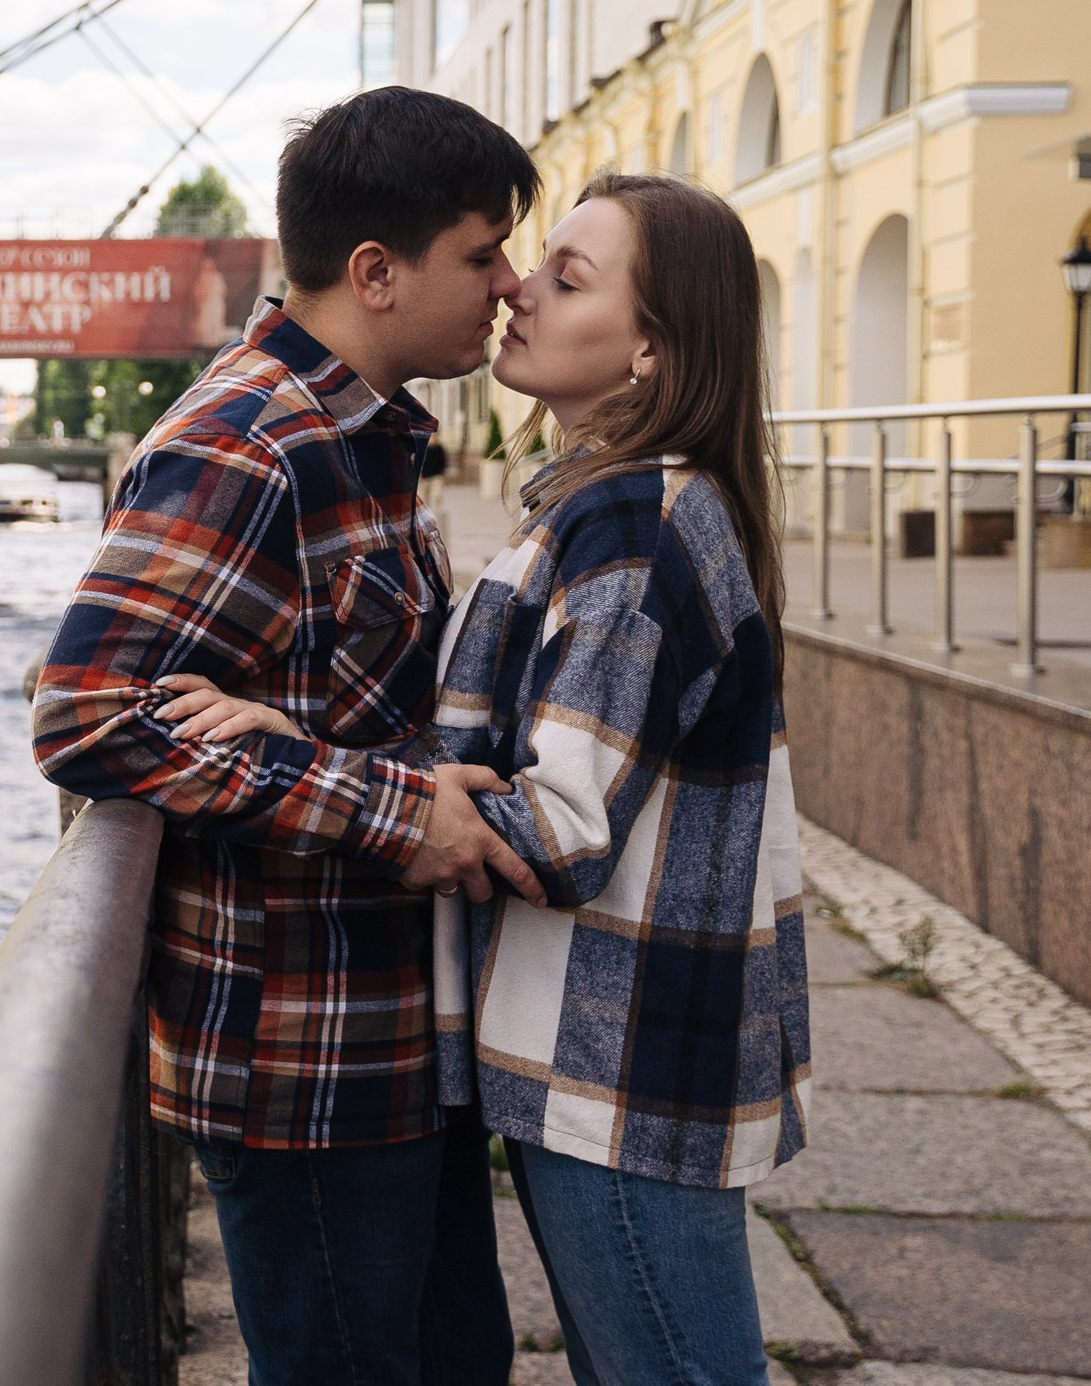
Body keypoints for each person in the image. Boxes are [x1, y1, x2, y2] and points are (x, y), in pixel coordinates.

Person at [180, 171, 813, 1385]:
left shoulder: (634, 523)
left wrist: (313, 769)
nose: (519, 288)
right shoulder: (607, 503)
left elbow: (560, 827)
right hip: (611, 1046)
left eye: (566, 279)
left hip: (616, 1057)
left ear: (650, 349)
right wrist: (308, 738)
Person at [31, 86, 544, 1386]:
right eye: (483, 253)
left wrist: (359, 762)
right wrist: (396, 810)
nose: (508, 284)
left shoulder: (362, 435)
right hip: (303, 1066)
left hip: (387, 1030)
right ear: (377, 272)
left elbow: (348, 698)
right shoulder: (251, 446)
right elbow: (88, 710)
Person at [421, 435, 450, 509]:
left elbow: (443, 463)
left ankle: (438, 511)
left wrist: (443, 475)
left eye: (434, 437)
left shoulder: (439, 448)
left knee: (437, 495)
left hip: (437, 476)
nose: (432, 439)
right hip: (425, 477)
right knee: (424, 497)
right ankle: (425, 513)